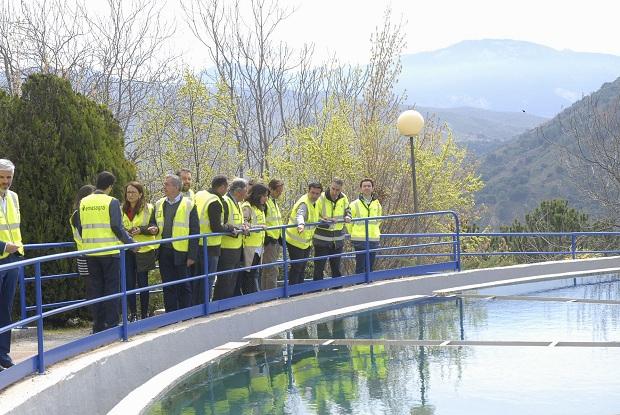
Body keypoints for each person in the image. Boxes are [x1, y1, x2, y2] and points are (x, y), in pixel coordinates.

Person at [76, 171, 134, 333]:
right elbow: (117, 227)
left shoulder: (84, 201)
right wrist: (131, 244)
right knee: (111, 289)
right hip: (109, 253)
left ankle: (98, 325)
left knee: (96, 290)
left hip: (90, 253)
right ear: (110, 186)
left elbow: (81, 227)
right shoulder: (112, 202)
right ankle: (112, 324)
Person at [154, 174, 199, 312]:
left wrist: (192, 256)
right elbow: (154, 222)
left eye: (167, 184)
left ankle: (185, 313)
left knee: (184, 285)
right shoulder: (159, 203)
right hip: (164, 250)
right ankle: (171, 315)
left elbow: (194, 231)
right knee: (168, 285)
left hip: (182, 252)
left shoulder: (189, 204)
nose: (164, 187)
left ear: (176, 187)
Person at [192, 175, 235, 305]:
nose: (227, 190)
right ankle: (205, 306)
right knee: (208, 279)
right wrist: (229, 228)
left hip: (196, 243)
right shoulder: (214, 201)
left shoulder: (200, 194)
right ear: (222, 187)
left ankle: (195, 306)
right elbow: (216, 226)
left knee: (197, 279)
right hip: (210, 245)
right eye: (226, 187)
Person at [122, 181, 158, 320]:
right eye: (128, 192)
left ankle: (143, 314)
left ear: (140, 194)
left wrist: (142, 230)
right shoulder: (121, 209)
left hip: (144, 249)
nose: (130, 195)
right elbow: (117, 227)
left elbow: (154, 226)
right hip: (127, 249)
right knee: (129, 282)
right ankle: (133, 314)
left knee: (143, 283)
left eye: (133, 192)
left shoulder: (149, 208)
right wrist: (127, 233)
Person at [0, 159, 23, 370]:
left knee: (6, 309)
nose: (5, 181)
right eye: (1, 177)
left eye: (9, 177)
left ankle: (3, 355)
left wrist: (16, 252)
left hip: (13, 260)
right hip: (2, 255)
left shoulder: (14, 197)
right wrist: (2, 246)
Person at [212, 178, 248, 300]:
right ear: (238, 191)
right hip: (226, 248)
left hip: (236, 247)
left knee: (232, 280)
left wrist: (244, 226)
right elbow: (224, 224)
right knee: (225, 280)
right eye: (245, 191)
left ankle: (227, 304)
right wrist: (237, 229)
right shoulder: (226, 202)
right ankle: (219, 305)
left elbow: (238, 221)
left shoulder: (237, 203)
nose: (246, 194)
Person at [312, 178, 351, 280]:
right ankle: (317, 291)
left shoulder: (344, 197)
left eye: (337, 190)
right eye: (333, 188)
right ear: (329, 186)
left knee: (336, 268)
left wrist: (348, 216)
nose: (334, 192)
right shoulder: (321, 198)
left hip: (337, 239)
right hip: (322, 239)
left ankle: (337, 289)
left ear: (341, 189)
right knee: (319, 268)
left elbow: (348, 209)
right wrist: (327, 222)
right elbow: (314, 217)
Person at [285, 182, 322, 285]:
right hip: (295, 240)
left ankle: (299, 291)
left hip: (306, 241)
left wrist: (323, 219)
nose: (314, 195)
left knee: (302, 268)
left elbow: (313, 216)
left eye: (317, 193)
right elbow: (300, 215)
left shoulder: (316, 202)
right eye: (312, 193)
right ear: (308, 191)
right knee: (297, 267)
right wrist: (301, 224)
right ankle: (293, 291)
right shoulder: (304, 203)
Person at [347, 178, 383, 274]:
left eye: (369, 186)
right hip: (359, 239)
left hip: (373, 239)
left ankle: (369, 286)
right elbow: (348, 222)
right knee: (360, 266)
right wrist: (353, 233)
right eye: (364, 186)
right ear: (360, 189)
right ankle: (359, 285)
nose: (367, 188)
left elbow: (379, 220)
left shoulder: (377, 204)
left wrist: (374, 231)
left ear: (372, 188)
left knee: (370, 266)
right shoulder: (354, 204)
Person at [240, 183, 268, 294]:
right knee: (249, 274)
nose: (266, 198)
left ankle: (253, 296)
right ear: (257, 195)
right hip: (249, 246)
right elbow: (244, 223)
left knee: (254, 273)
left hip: (258, 245)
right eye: (264, 195)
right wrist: (258, 227)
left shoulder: (259, 207)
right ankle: (251, 297)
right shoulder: (247, 206)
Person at [70, 185, 96, 281]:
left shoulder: (82, 212)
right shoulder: (78, 213)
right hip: (84, 254)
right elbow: (82, 233)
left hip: (89, 253)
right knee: (91, 285)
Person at [262, 179, 284, 290]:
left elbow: (276, 220)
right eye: (278, 191)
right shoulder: (266, 202)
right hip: (269, 240)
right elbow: (262, 220)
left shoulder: (274, 202)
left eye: (281, 191)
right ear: (271, 189)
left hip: (275, 239)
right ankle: (271, 295)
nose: (280, 194)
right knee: (272, 269)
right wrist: (266, 237)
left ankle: (265, 294)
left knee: (268, 269)